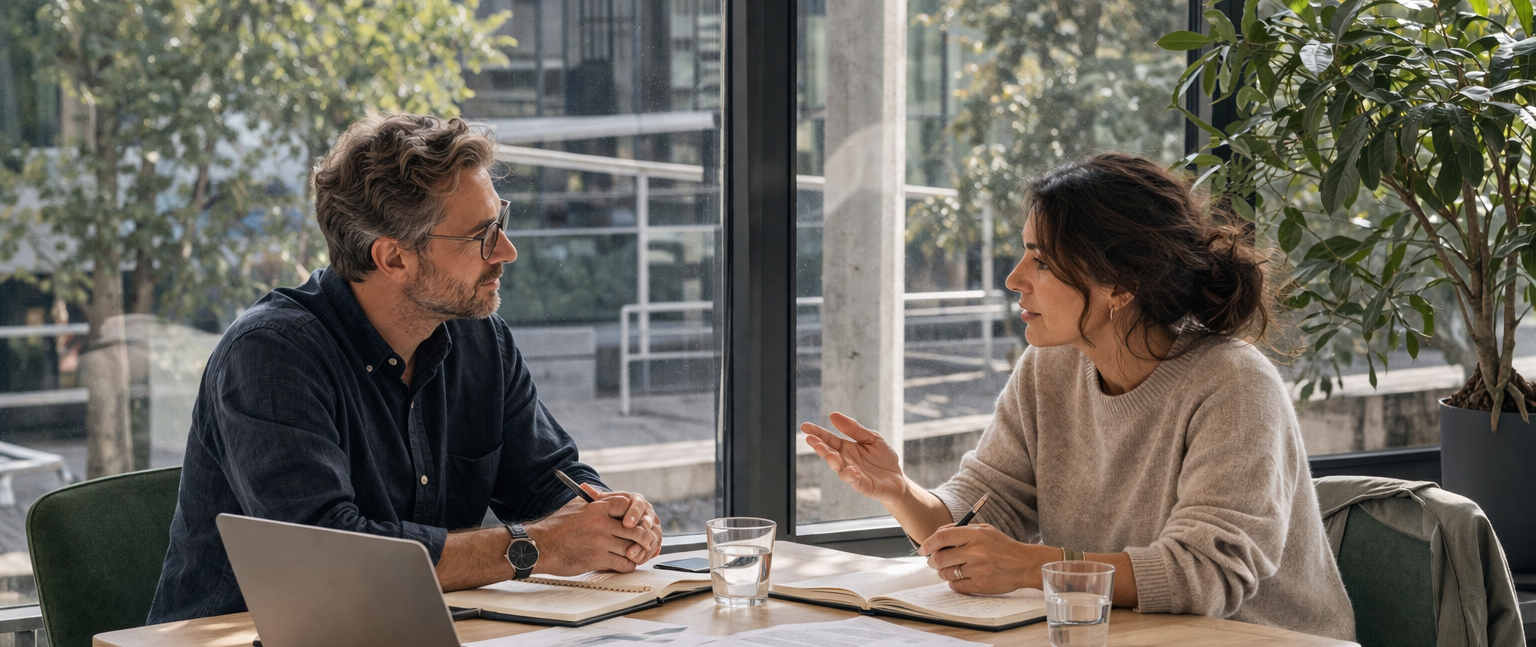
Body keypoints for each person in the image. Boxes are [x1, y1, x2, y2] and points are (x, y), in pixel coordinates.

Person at [800, 153, 1354, 640]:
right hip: (1120, 637)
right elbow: (984, 515)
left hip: (1259, 640)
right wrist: (899, 491)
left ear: (1119, 284)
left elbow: (1206, 573)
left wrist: (1029, 568)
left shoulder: (1233, 383)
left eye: (1041, 261)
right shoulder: (1051, 365)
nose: (1015, 279)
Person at [149, 114, 664, 622]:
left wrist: (615, 516)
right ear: (393, 259)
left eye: (500, 223)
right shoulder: (270, 356)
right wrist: (535, 548)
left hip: (413, 629)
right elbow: (335, 558)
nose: (507, 251)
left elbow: (550, 482)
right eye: (482, 235)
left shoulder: (479, 338)